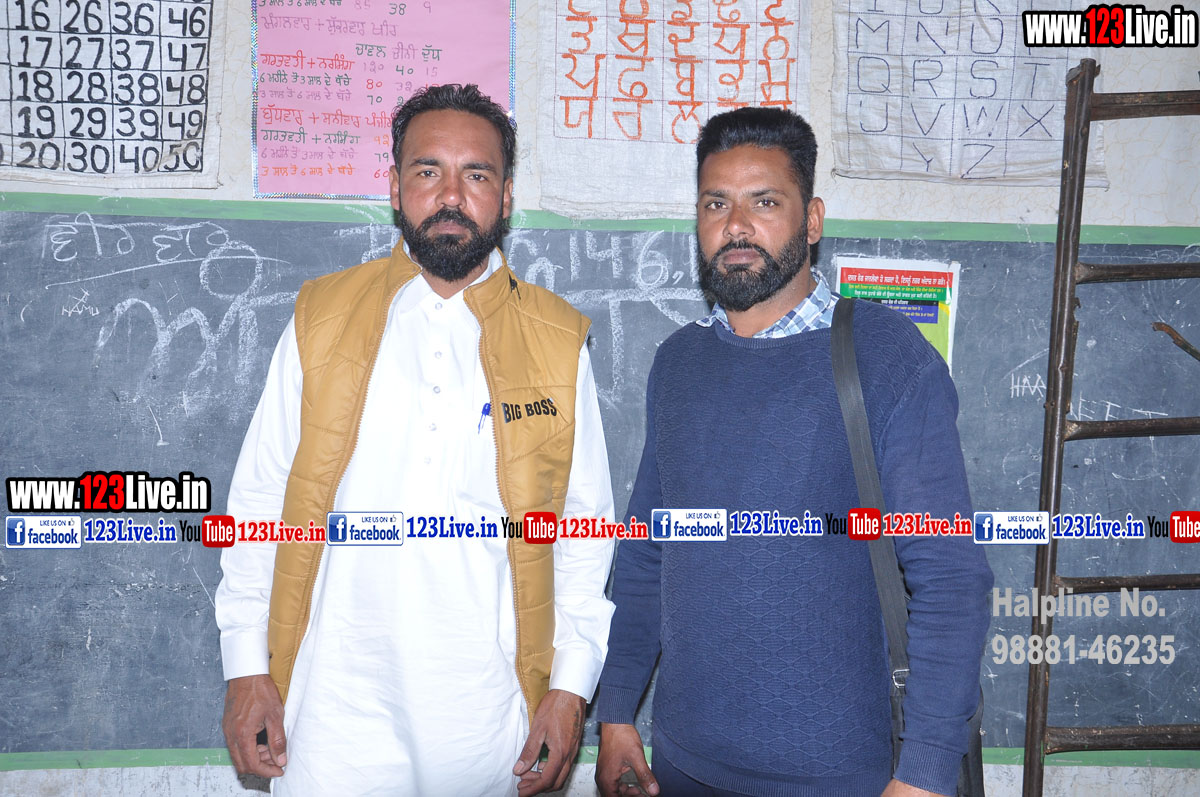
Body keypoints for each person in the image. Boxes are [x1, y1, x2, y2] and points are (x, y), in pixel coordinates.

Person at [215, 84, 616, 797]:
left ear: (506, 195)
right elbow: (259, 499)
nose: (451, 196)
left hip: (489, 723)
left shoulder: (558, 340)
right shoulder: (322, 315)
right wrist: (246, 666)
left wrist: (570, 687)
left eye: (477, 174)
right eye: (429, 171)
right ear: (396, 186)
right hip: (331, 719)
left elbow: (586, 531)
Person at [593, 107, 993, 797]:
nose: (735, 225)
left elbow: (951, 579)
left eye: (765, 202)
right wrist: (618, 710)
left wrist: (924, 775)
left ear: (811, 221)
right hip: (681, 763)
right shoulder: (678, 363)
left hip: (840, 774)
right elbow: (646, 552)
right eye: (716, 203)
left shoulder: (885, 356)